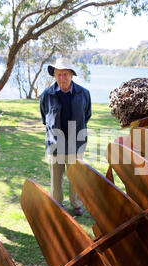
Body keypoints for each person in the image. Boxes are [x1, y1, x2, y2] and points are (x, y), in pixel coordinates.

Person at [40, 57, 91, 216]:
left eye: (65, 74)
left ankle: (76, 205)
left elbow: (87, 115)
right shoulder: (47, 94)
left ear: (71, 75)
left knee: (75, 177)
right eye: (58, 74)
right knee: (56, 179)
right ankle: (57, 205)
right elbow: (44, 117)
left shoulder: (83, 93)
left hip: (77, 142)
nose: (62, 78)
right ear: (54, 75)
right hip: (55, 142)